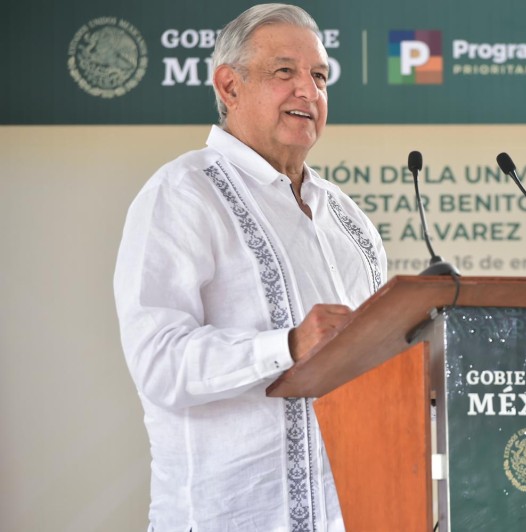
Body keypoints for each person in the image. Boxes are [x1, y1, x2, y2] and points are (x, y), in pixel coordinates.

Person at [113, 4, 387, 530]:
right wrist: (287, 347)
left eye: (320, 76)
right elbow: (158, 362)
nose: (308, 91)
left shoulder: (348, 218)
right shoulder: (184, 192)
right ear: (229, 87)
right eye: (285, 72)